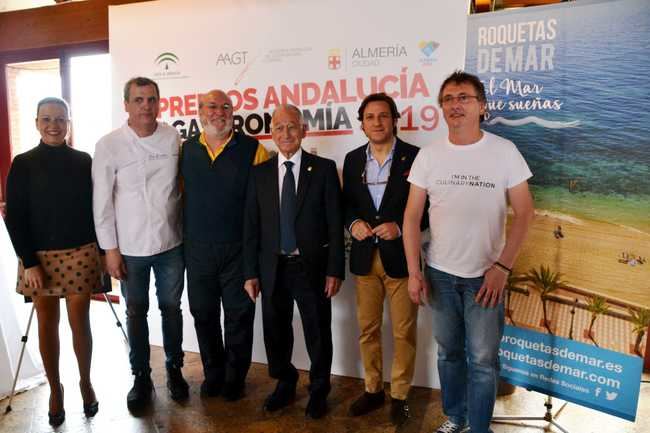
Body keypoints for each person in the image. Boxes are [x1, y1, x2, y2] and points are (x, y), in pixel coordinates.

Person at [403, 71, 534, 433]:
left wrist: (503, 267)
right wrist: (415, 272)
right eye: (448, 98)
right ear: (442, 108)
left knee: (482, 359)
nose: (455, 104)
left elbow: (525, 213)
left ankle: (479, 427)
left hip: (486, 277)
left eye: (464, 97)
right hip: (439, 275)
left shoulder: (504, 152)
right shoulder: (429, 156)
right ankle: (456, 416)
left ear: (482, 107)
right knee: (448, 353)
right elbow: (412, 217)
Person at [243, 104, 344, 419]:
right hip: (272, 268)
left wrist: (334, 269)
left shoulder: (324, 169)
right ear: (271, 134)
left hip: (310, 267)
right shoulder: (258, 173)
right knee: (275, 330)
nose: (285, 133)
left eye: (291, 127)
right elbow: (251, 228)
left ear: (303, 130)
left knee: (318, 331)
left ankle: (318, 390)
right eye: (278, 128)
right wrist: (250, 273)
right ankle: (285, 383)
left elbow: (334, 224)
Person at [92, 77, 187, 411]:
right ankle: (141, 376)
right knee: (135, 311)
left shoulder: (172, 136)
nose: (146, 105)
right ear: (126, 105)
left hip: (170, 243)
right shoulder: (108, 145)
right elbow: (101, 203)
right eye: (139, 99)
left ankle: (175, 368)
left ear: (159, 103)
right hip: (129, 248)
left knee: (172, 309)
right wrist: (110, 250)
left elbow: (179, 187)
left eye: (152, 99)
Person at [4, 97, 100, 426]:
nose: (53, 125)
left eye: (60, 119)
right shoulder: (23, 162)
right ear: (36, 123)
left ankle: (85, 382)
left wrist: (101, 252)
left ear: (69, 123)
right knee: (47, 324)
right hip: (38, 258)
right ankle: (56, 388)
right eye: (46, 119)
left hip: (80, 252)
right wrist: (28, 261)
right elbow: (14, 216)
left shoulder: (84, 160)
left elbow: (96, 210)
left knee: (80, 322)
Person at [180, 89, 268, 400]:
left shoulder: (254, 149)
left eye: (226, 106)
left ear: (233, 111)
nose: (219, 112)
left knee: (239, 317)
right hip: (198, 249)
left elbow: (264, 204)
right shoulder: (185, 150)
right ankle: (213, 373)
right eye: (212, 106)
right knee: (203, 314)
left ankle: (235, 377)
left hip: (239, 250)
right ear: (200, 112)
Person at [342, 93, 422, 426]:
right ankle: (373, 389)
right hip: (364, 260)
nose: (377, 122)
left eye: (384, 116)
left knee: (404, 332)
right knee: (367, 329)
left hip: (400, 259)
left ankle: (400, 395)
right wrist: (353, 223)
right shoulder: (350, 160)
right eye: (370, 117)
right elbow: (345, 204)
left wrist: (401, 228)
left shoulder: (415, 158)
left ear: (394, 120)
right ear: (362, 124)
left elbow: (428, 208)